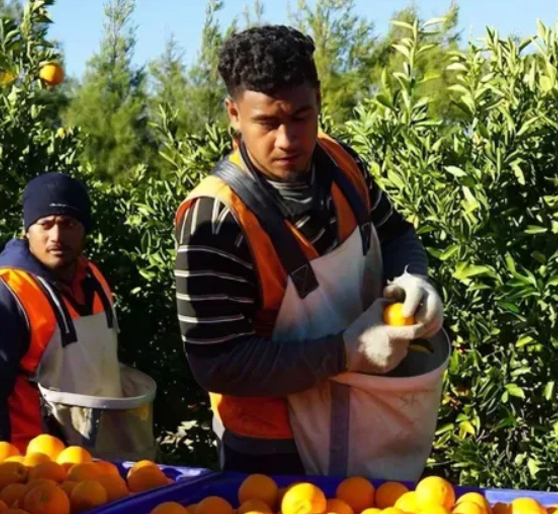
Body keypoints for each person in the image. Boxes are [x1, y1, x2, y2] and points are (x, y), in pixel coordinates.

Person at [174, 25, 445, 475]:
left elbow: (395, 233)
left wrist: (413, 277)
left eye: (301, 117)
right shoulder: (216, 218)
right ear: (234, 114)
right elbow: (216, 362)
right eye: (267, 122)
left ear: (319, 99)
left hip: (363, 417)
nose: (287, 139)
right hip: (273, 452)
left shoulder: (342, 165)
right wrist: (345, 352)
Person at [0, 173, 121, 452]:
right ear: (27, 230)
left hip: (98, 464)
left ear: (85, 229)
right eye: (45, 225)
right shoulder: (2, 297)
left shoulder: (93, 277)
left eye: (68, 224)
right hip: (34, 469)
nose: (56, 236)